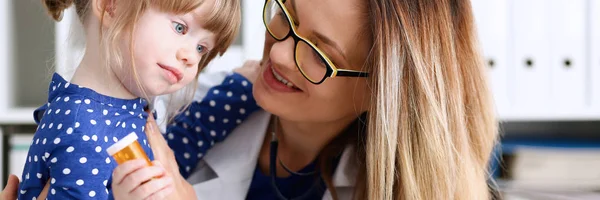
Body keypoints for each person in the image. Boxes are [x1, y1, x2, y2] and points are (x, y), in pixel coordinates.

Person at [114, 0, 499, 199]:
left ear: (383, 93)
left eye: (321, 54)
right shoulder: (182, 102)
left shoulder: (408, 187)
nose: (279, 54)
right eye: (288, 16)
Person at [16, 0, 260, 199]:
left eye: (201, 48)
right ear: (111, 6)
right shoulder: (83, 132)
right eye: (179, 28)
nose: (191, 58)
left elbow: (167, 161)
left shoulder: (113, 111)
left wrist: (239, 92)